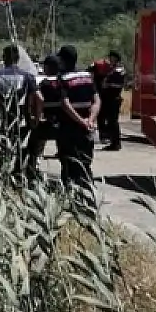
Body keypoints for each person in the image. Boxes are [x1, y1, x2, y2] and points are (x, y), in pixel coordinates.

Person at [0, 45, 43, 179]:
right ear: (18, 58)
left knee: (3, 150)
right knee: (22, 150)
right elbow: (39, 98)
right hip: (22, 121)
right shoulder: (27, 77)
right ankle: (21, 177)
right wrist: (36, 117)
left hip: (2, 121)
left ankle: (4, 177)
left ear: (4, 58)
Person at [56, 45, 100, 198]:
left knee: (68, 161)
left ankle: (69, 196)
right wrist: (90, 120)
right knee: (85, 162)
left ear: (63, 60)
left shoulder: (63, 78)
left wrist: (81, 121)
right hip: (87, 128)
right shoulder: (87, 76)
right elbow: (96, 100)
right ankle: (88, 195)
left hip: (69, 127)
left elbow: (65, 104)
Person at [27, 54, 62, 178]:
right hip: (62, 123)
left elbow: (38, 100)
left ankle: (32, 171)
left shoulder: (44, 84)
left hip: (46, 122)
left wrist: (36, 117)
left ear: (48, 67)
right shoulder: (62, 82)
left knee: (33, 146)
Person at [99, 50, 126, 151]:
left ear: (115, 58)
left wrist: (107, 84)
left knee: (113, 121)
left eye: (111, 57)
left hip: (113, 98)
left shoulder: (118, 70)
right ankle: (112, 142)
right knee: (109, 121)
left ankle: (116, 143)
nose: (110, 59)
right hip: (109, 98)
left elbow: (118, 85)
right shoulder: (112, 70)